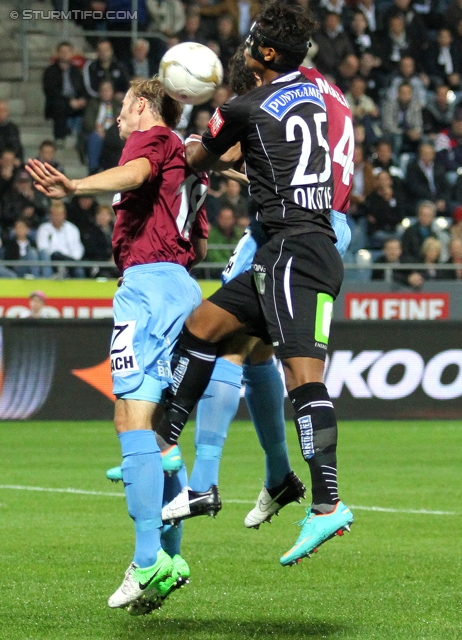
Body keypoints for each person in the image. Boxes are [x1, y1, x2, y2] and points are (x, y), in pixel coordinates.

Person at [155, 2, 354, 567]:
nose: (246, 44)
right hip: (295, 247)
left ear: (267, 53)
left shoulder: (242, 106)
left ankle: (328, 505)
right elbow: (272, 145)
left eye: (255, 38)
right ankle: (168, 442)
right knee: (205, 324)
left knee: (302, 379)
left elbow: (197, 159)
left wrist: (195, 139)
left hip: (296, 249)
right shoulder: (316, 96)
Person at [27, 77, 209, 614]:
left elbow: (136, 171)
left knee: (130, 415)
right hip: (179, 284)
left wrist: (77, 185)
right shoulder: (185, 158)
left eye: (123, 109)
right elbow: (196, 237)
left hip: (147, 286)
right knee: (153, 429)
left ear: (142, 105)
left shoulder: (150, 138)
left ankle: (149, 558)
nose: (118, 119)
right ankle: (169, 561)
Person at [42, 41, 87, 143]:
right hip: (58, 102)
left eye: (68, 51)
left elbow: (82, 88)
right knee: (60, 106)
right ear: (57, 53)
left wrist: (82, 100)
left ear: (72, 53)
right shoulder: (50, 71)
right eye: (62, 51)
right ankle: (60, 138)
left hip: (75, 101)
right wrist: (69, 101)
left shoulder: (76, 71)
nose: (65, 54)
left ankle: (81, 139)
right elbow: (51, 92)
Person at [36, 200, 85, 278]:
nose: (57, 217)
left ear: (64, 215)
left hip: (69, 260)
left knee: (78, 268)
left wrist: (72, 260)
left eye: (59, 215)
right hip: (52, 260)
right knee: (52, 254)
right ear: (50, 215)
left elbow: (77, 248)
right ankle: (48, 279)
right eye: (55, 215)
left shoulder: (72, 228)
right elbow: (42, 248)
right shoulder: (44, 229)